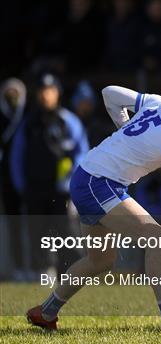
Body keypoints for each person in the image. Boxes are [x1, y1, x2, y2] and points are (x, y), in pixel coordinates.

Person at [26, 81, 161, 332]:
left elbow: (109, 93)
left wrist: (124, 126)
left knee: (101, 261)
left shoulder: (159, 103)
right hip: (98, 182)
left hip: (89, 176)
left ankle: (46, 312)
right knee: (158, 240)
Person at [11, 74, 89, 280]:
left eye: (50, 91)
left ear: (57, 93)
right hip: (35, 190)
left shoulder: (68, 121)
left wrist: (73, 183)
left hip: (62, 192)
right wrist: (22, 186)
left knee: (66, 233)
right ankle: (44, 272)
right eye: (42, 91)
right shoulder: (28, 124)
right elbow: (17, 157)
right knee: (38, 234)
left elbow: (82, 154)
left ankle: (73, 274)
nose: (46, 96)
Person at [0, 78, 26, 279]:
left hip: (28, 180)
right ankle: (16, 268)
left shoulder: (29, 117)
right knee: (13, 225)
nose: (12, 98)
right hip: (6, 182)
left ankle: (36, 268)